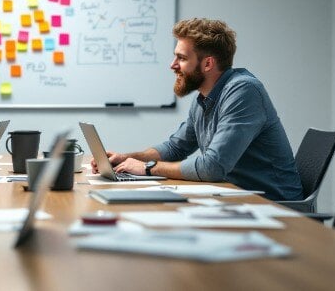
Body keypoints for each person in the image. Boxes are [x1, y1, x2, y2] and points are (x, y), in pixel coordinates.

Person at [93, 18, 302, 201]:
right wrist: (127, 158)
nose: (172, 65)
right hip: (235, 199)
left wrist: (148, 168)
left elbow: (212, 167)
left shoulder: (244, 91)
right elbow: (176, 147)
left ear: (208, 63)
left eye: (182, 58)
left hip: (275, 208)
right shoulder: (205, 97)